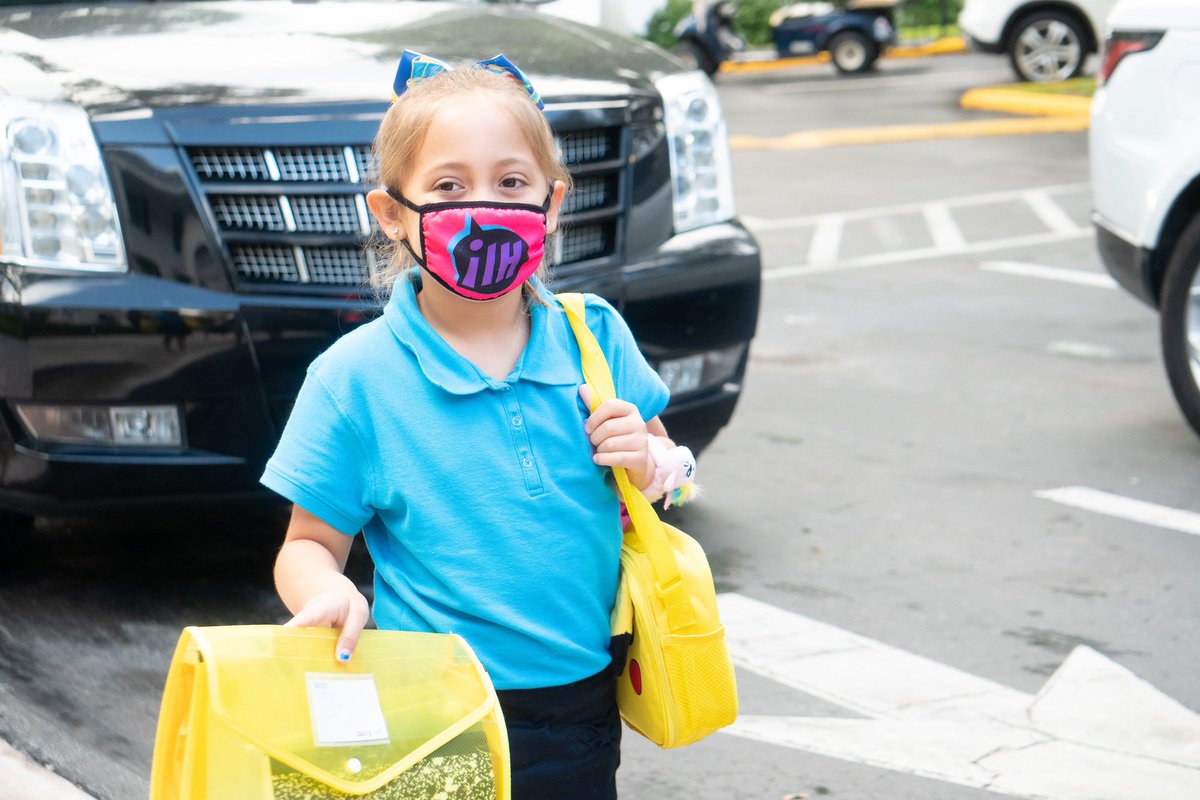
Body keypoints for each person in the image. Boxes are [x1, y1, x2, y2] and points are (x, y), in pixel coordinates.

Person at [263, 51, 695, 799]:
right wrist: (322, 591)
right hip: (433, 705)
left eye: (512, 182)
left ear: (551, 204)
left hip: (578, 706)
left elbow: (675, 481)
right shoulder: (354, 379)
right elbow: (307, 545)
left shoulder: (594, 336)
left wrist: (651, 462)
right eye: (449, 186)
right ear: (391, 214)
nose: (485, 206)